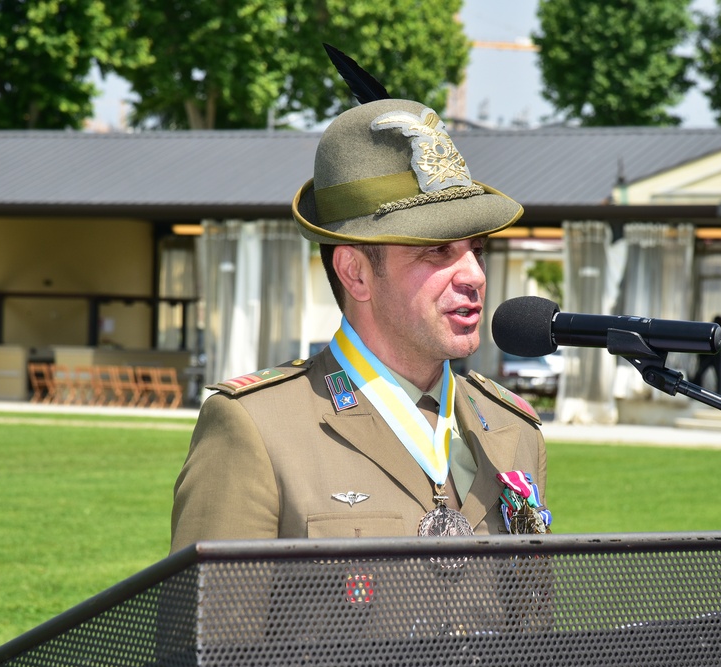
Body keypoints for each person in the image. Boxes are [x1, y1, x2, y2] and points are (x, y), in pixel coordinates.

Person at [169, 98, 548, 553]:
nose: (474, 276)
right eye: (437, 251)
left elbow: (532, 621)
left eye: (477, 251)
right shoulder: (259, 429)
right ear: (356, 273)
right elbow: (215, 625)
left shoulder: (514, 429)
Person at [692, 315, 721, 394]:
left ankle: (695, 390)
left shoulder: (714, 332)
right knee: (701, 373)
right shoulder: (715, 332)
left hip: (712, 357)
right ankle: (695, 389)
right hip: (709, 357)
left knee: (702, 373)